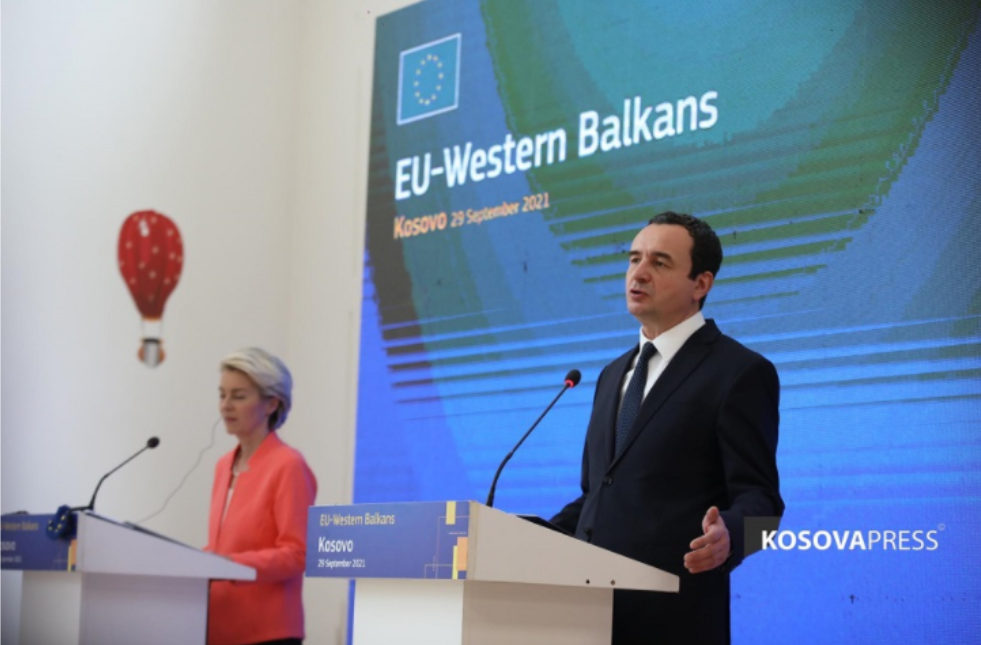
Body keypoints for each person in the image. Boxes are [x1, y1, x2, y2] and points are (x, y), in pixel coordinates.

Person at [551, 212, 783, 645]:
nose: (638, 273)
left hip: (674, 622)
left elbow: (765, 507)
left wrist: (730, 537)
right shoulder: (611, 375)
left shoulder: (739, 372)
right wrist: (526, 536)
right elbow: (598, 495)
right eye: (634, 259)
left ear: (701, 284)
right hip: (586, 619)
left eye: (659, 263)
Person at [204, 348, 318, 645]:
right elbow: (223, 546)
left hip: (268, 633)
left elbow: (298, 553)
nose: (226, 406)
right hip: (217, 629)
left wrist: (227, 563)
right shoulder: (223, 466)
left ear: (272, 403)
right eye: (222, 395)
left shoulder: (288, 465)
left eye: (239, 396)